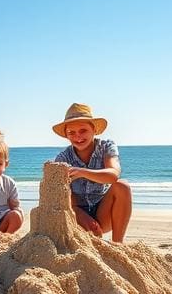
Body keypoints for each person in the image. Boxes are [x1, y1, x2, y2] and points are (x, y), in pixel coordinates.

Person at [52, 102, 132, 243]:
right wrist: (79, 213)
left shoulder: (106, 147)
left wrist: (83, 172)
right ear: (66, 135)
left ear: (94, 129)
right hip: (77, 212)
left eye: (83, 130)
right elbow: (62, 195)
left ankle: (118, 245)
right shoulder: (63, 158)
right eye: (71, 132)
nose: (78, 137)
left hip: (104, 210)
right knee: (86, 228)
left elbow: (113, 175)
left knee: (122, 186)